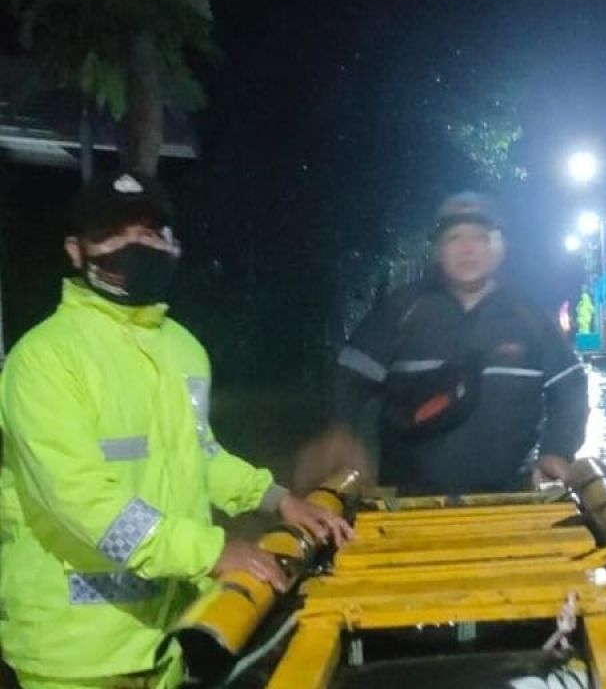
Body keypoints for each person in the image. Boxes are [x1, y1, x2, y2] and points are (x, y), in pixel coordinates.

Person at [0, 172, 353, 689]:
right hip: (75, 652)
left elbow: (199, 452)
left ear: (171, 243)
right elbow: (82, 500)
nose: (135, 246)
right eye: (113, 234)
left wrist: (278, 500)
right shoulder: (44, 360)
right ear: (77, 252)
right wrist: (210, 552)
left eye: (148, 232)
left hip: (170, 636)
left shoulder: (183, 348)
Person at [296, 192, 588, 495]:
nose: (467, 249)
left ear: (499, 249)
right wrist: (339, 430)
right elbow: (349, 378)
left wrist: (557, 450)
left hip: (511, 497)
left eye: (480, 237)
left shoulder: (529, 315)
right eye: (454, 238)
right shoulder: (402, 310)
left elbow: (570, 387)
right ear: (437, 250)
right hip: (408, 502)